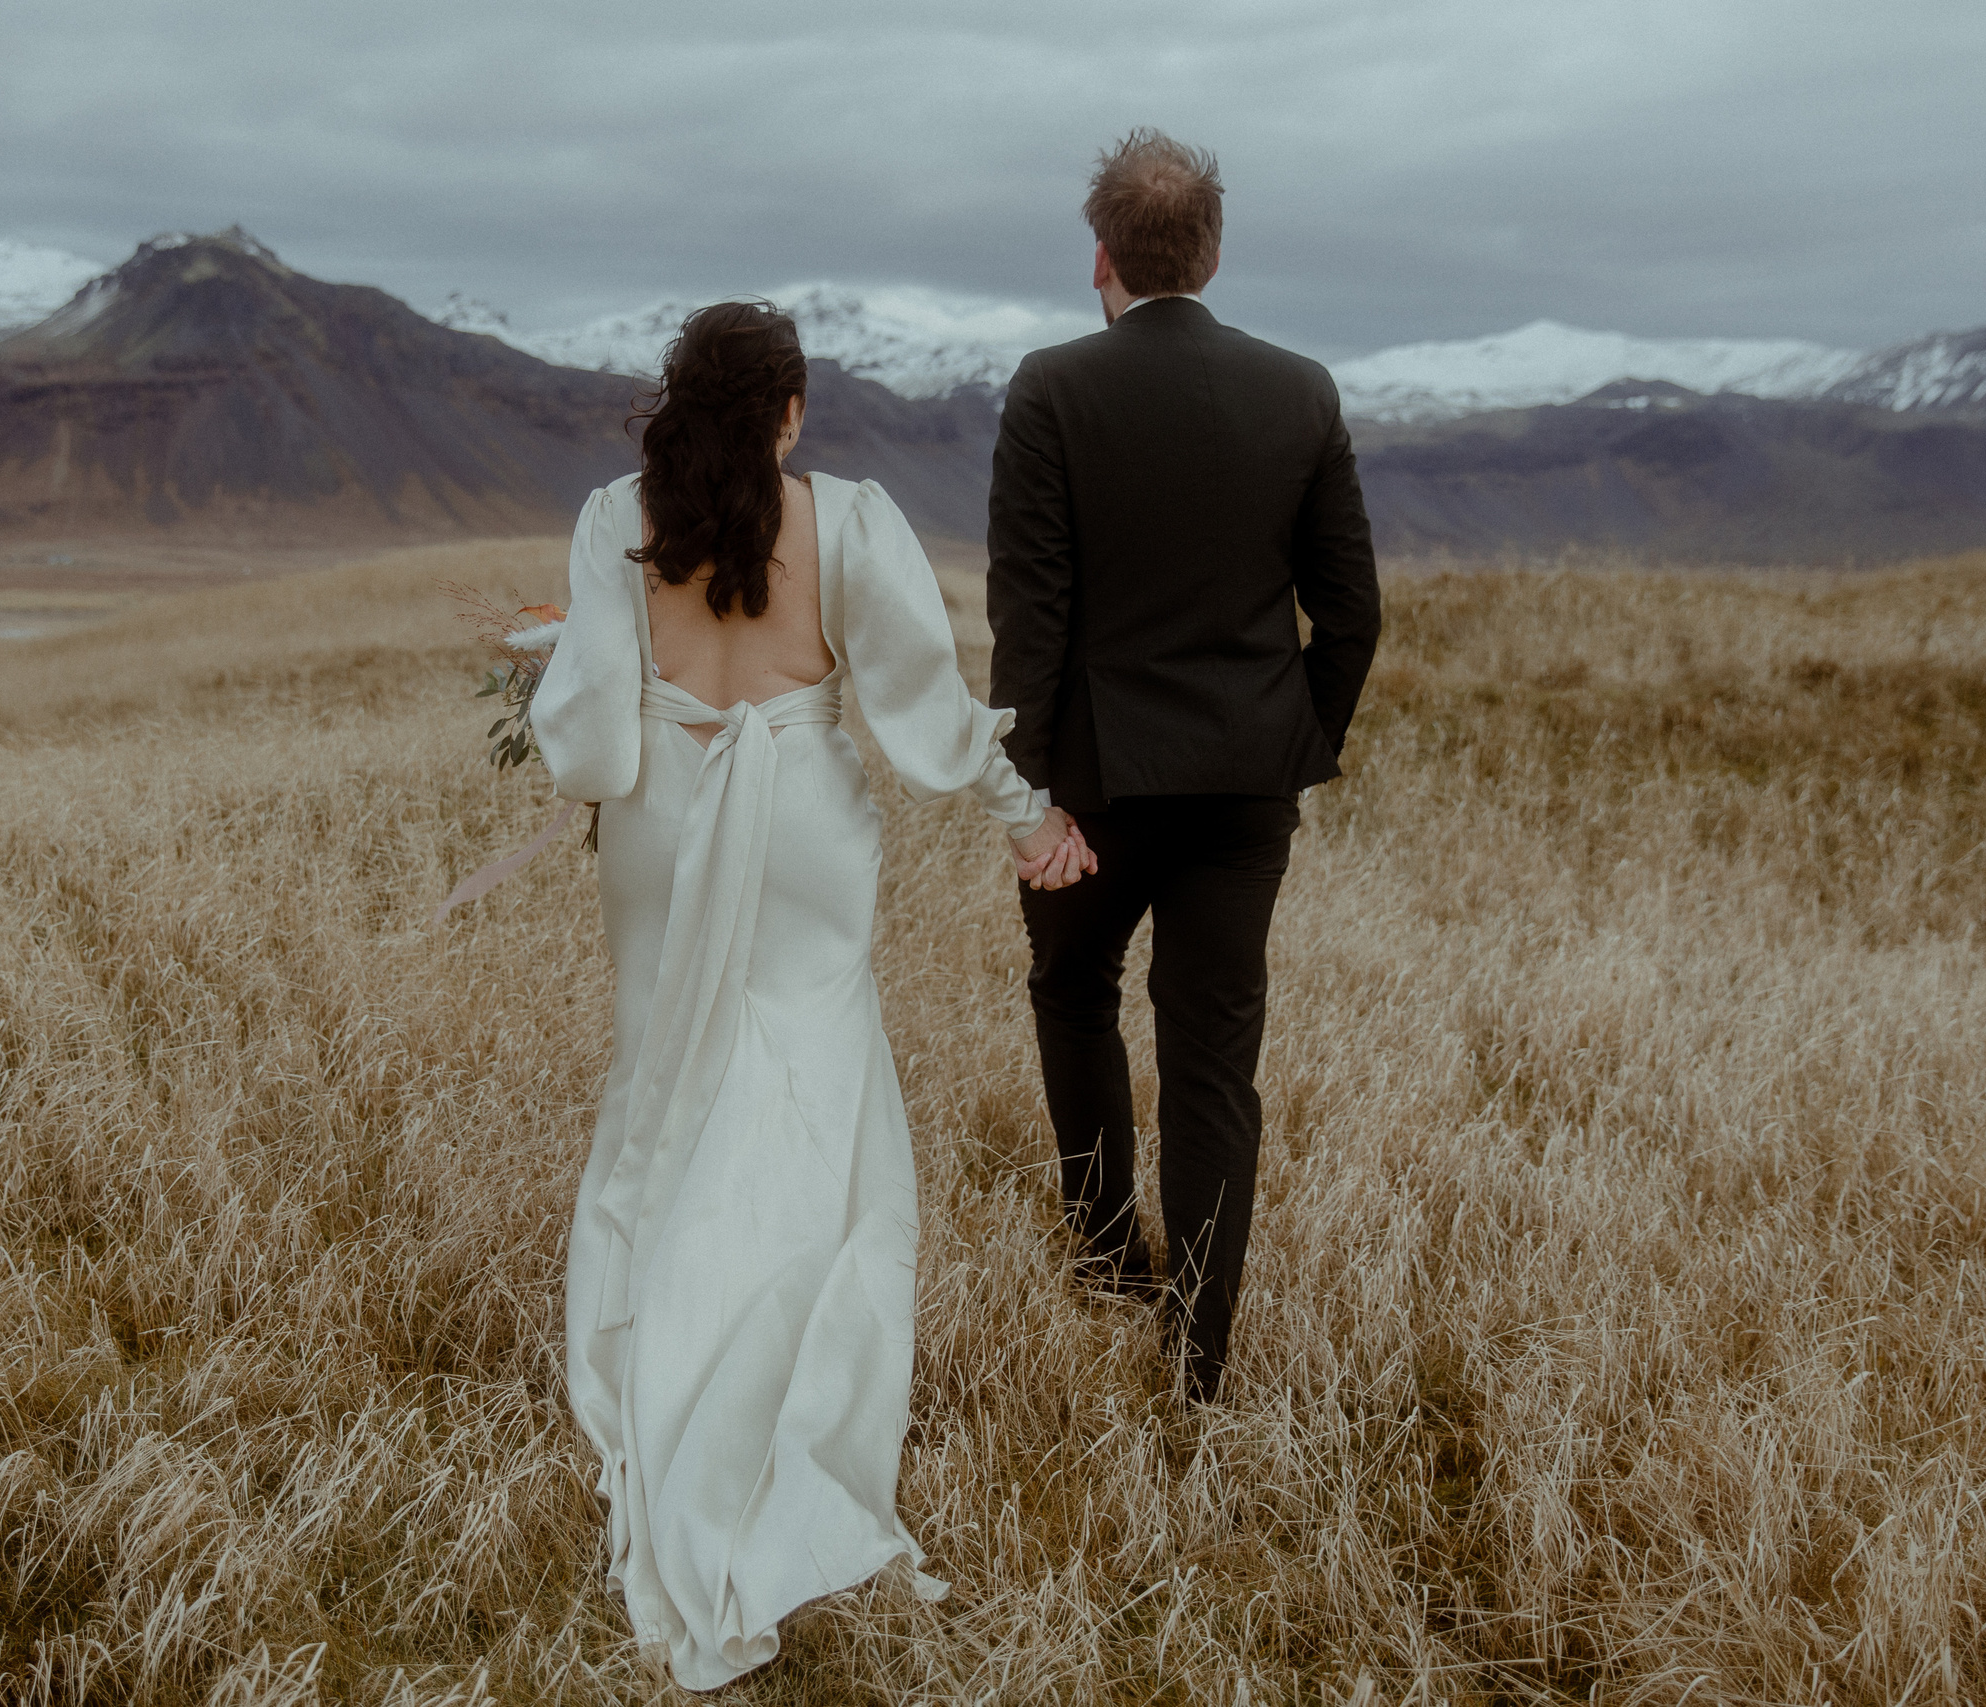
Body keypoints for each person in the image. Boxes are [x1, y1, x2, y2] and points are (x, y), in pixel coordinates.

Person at [530, 301, 1091, 1690]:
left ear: (680, 400)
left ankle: (662, 1333)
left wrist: (565, 689)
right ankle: (775, 1363)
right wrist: (1028, 810)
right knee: (807, 1077)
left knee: (666, 1069)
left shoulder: (616, 515)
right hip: (806, 836)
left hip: (661, 824)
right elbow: (926, 701)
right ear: (790, 411)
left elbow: (592, 735)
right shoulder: (846, 518)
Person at [987, 129, 1383, 1404]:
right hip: (1242, 789)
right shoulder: (1301, 390)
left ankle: (1108, 1261)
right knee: (1212, 1056)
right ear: (1210, 255)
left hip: (1092, 788)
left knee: (1074, 995)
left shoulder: (1050, 389)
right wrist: (1296, 743)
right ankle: (1198, 1355)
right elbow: (1353, 614)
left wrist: (1031, 793)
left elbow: (1028, 615)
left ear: (1097, 257)